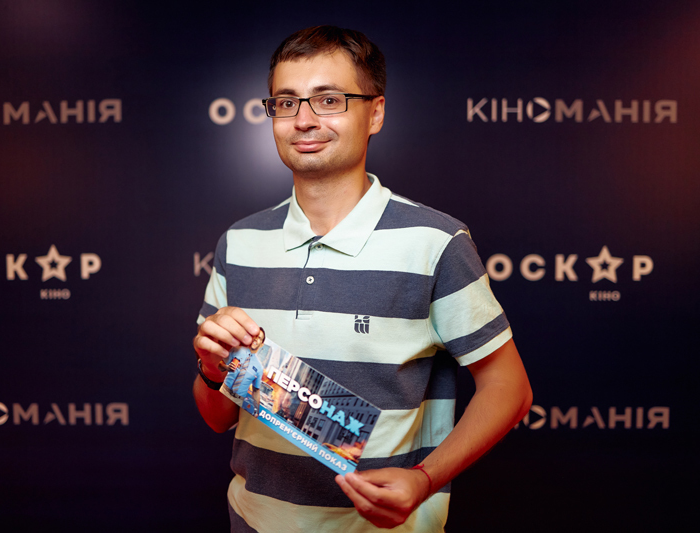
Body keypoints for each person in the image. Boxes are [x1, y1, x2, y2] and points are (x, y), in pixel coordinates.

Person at [193, 25, 533, 532]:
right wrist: (210, 368)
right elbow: (216, 416)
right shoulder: (239, 242)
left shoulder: (434, 241)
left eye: (328, 100)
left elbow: (510, 388)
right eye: (286, 103)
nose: (304, 120)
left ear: (375, 113)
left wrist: (423, 479)